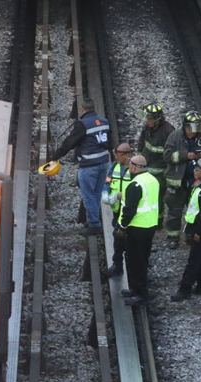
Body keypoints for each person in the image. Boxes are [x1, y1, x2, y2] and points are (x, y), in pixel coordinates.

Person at [49, 98, 111, 236]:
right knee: (96, 194)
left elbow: (69, 142)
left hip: (89, 165)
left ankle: (94, 224)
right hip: (103, 163)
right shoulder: (104, 121)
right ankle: (94, 219)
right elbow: (109, 142)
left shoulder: (83, 124)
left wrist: (55, 156)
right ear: (93, 108)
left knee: (88, 195)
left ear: (83, 109)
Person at [163, 110, 201, 249]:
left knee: (194, 212)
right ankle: (172, 238)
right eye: (194, 127)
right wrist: (185, 156)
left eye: (198, 127)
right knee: (174, 211)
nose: (196, 131)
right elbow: (167, 156)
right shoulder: (174, 137)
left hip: (196, 184)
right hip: (178, 183)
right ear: (186, 126)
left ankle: (191, 235)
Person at [170, 159, 201, 301]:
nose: (194, 171)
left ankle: (185, 289)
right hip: (198, 227)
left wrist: (198, 232)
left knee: (194, 259)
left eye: (197, 170)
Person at [116, 156, 159, 306]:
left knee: (135, 261)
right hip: (150, 225)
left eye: (130, 166)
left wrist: (122, 226)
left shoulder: (135, 185)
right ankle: (136, 288)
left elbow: (130, 210)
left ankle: (140, 293)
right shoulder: (153, 180)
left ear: (134, 167)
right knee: (143, 258)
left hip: (137, 227)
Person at [137, 102, 175, 227]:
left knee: (157, 197)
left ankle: (158, 222)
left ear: (157, 119)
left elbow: (171, 154)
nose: (146, 121)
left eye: (148, 119)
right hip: (146, 167)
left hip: (160, 171)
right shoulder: (148, 127)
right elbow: (142, 143)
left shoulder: (168, 131)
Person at [102, 143, 133, 276]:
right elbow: (108, 182)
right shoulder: (114, 167)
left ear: (128, 155)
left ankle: (123, 265)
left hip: (129, 212)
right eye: (116, 155)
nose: (117, 157)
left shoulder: (135, 169)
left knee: (124, 238)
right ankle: (118, 264)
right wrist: (105, 195)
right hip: (117, 210)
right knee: (117, 237)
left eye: (119, 155)